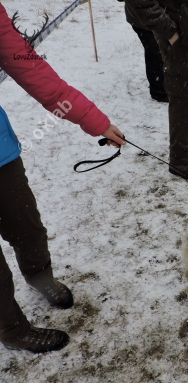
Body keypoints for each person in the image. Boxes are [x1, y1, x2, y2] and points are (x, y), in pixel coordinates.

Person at [0, 3, 125, 353]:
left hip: (0, 155)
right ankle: (12, 329)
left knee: (27, 228)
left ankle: (40, 278)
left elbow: (35, 73)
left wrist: (94, 121)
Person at [125, 0, 188, 180]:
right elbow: (139, 3)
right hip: (177, 35)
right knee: (182, 98)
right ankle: (179, 159)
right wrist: (170, 32)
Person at [122, 0, 168, 103]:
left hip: (155, 15)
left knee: (157, 50)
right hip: (144, 17)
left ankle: (163, 84)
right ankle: (159, 91)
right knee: (154, 51)